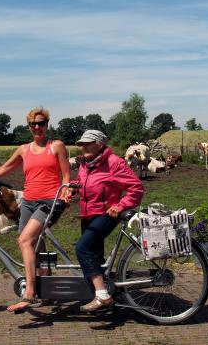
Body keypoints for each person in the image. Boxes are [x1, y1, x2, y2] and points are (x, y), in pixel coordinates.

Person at [0, 107, 71, 313]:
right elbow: (3, 169)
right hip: (28, 202)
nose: (37, 127)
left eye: (41, 123)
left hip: (49, 201)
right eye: (33, 124)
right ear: (29, 127)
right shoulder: (24, 149)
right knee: (36, 245)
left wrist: (65, 192)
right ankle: (48, 290)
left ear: (47, 125)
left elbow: (66, 175)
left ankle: (30, 293)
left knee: (24, 241)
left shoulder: (56, 146)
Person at [69, 130, 144, 312]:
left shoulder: (114, 163)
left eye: (87, 143)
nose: (83, 146)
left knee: (83, 248)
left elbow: (136, 188)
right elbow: (83, 182)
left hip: (106, 214)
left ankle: (102, 295)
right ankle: (104, 298)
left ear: (100, 144)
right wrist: (73, 188)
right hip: (87, 214)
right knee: (95, 256)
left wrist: (120, 205)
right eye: (81, 143)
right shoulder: (86, 164)